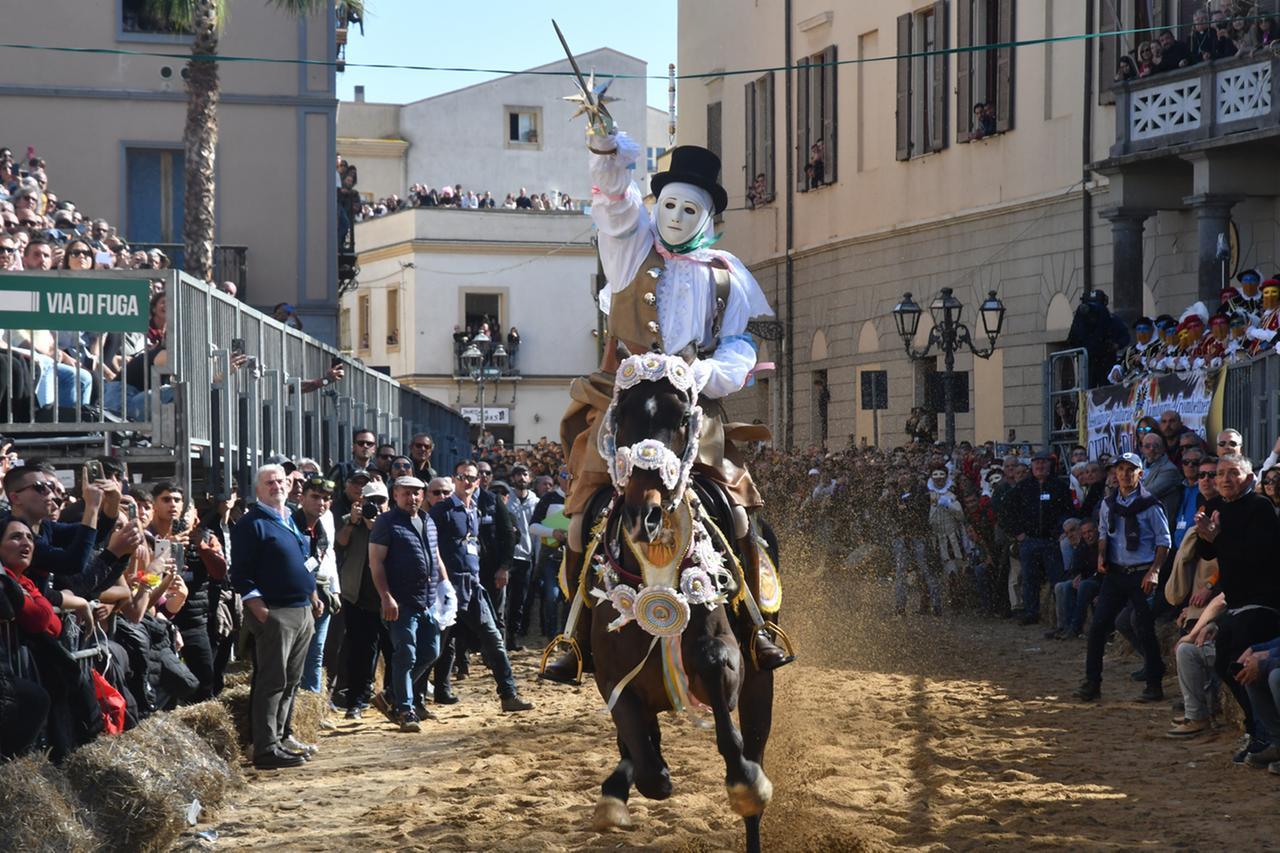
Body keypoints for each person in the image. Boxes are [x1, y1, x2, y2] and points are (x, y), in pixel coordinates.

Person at [545, 107, 787, 684]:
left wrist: (703, 375)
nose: (676, 218)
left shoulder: (727, 273)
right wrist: (606, 154)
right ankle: (573, 635)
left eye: (690, 209)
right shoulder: (630, 247)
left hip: (691, 408)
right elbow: (614, 203)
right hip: (624, 404)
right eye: (669, 205)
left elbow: (744, 347)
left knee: (739, 510)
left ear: (709, 216)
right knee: (581, 515)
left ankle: (756, 625)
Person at [1187, 453, 1280, 763]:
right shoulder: (1219, 508)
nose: (1225, 479)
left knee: (1243, 664)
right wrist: (1205, 533)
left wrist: (1217, 537)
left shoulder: (1260, 508)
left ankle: (1266, 734)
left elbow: (1253, 556)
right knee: (1224, 662)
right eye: (1220, 474)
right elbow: (1209, 550)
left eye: (1233, 473)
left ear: (1250, 478)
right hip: (1237, 603)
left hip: (1263, 603)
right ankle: (1257, 729)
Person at [230, 464, 321, 770]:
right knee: (272, 679)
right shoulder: (251, 523)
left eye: (281, 481)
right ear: (258, 489)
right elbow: (240, 573)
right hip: (276, 612)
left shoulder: (289, 518)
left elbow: (304, 560)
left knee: (292, 680)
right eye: (269, 482)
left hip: (301, 609)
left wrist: (313, 594)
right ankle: (266, 747)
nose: (276, 486)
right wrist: (259, 609)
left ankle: (282, 735)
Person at [428, 460, 532, 712]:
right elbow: (432, 548)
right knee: (437, 647)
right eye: (463, 477)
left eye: (472, 478)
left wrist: (503, 567)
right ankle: (407, 695)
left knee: (494, 639)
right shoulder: (441, 511)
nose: (468, 481)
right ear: (455, 479)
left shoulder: (475, 508)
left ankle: (508, 694)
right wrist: (441, 582)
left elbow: (505, 536)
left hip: (474, 585)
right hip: (448, 588)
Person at [1074, 452, 1170, 703]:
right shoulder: (1108, 504)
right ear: (1115, 474)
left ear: (1141, 474)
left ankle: (1154, 683)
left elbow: (1164, 542)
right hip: (1116, 574)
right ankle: (1092, 682)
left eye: (1131, 470)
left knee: (1145, 628)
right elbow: (1104, 533)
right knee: (1097, 628)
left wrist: (1155, 570)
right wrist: (1101, 556)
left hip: (1141, 573)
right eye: (1121, 470)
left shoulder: (1151, 505)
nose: (1125, 474)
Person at [368, 476, 448, 732]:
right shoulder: (386, 522)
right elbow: (376, 562)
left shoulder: (429, 521)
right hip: (401, 602)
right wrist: (385, 596)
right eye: (406, 493)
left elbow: (435, 555)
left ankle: (391, 695)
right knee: (406, 654)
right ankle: (405, 709)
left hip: (427, 600)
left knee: (432, 651)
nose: (412, 498)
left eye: (417, 493)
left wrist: (445, 586)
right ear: (395, 494)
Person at [335, 478, 391, 720]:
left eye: (381, 501)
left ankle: (393, 698)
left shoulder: (394, 524)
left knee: (393, 651)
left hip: (389, 598)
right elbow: (340, 543)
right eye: (371, 501)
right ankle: (356, 701)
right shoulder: (352, 522)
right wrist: (356, 522)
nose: (376, 507)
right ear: (361, 502)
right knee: (360, 652)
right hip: (358, 598)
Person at [1004, 451, 1075, 626]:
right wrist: (1017, 532)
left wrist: (1061, 530)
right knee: (1029, 579)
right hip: (1029, 541)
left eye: (1043, 463)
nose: (1040, 467)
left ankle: (1060, 616)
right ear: (1032, 466)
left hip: (1051, 541)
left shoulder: (1060, 486)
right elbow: (1006, 512)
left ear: (1049, 465)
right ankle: (1031, 613)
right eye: (1037, 464)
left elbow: (1068, 511)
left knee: (1056, 578)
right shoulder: (1023, 487)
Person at [503, 464, 538, 650]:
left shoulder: (537, 502)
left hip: (526, 557)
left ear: (530, 477)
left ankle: (512, 639)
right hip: (507, 558)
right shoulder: (505, 499)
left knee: (519, 601)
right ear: (512, 478)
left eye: (524, 474)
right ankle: (499, 639)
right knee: (502, 600)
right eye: (517, 474)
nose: (521, 478)